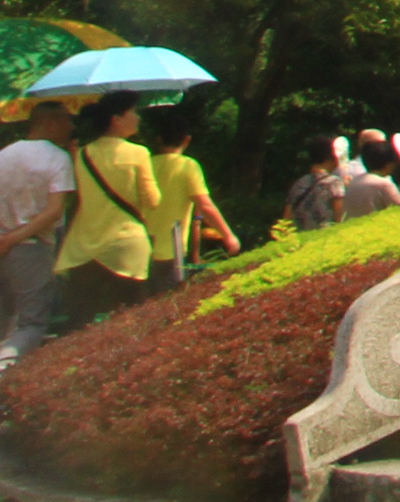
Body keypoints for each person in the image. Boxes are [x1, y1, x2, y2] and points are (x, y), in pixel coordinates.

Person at [56, 92, 157, 326]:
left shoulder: (82, 154)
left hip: (84, 247)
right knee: (131, 318)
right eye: (133, 112)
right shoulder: (139, 153)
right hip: (126, 244)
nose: (138, 117)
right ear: (117, 119)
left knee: (79, 321)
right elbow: (152, 200)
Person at [0, 104, 73, 363]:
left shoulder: (5, 155)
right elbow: (54, 210)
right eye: (67, 120)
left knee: (4, 316)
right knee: (31, 323)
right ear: (50, 123)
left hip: (3, 243)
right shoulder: (57, 157)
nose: (72, 126)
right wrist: (14, 238)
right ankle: (4, 370)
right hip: (32, 247)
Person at [141, 108, 236, 291]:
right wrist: (228, 236)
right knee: (167, 301)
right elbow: (205, 205)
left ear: (158, 139)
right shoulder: (188, 166)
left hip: (142, 248)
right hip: (171, 250)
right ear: (186, 140)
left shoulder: (145, 164)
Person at [284, 138, 345, 231]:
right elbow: (339, 219)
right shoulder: (334, 183)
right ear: (330, 157)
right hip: (324, 236)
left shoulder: (298, 184)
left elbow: (286, 220)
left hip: (301, 237)